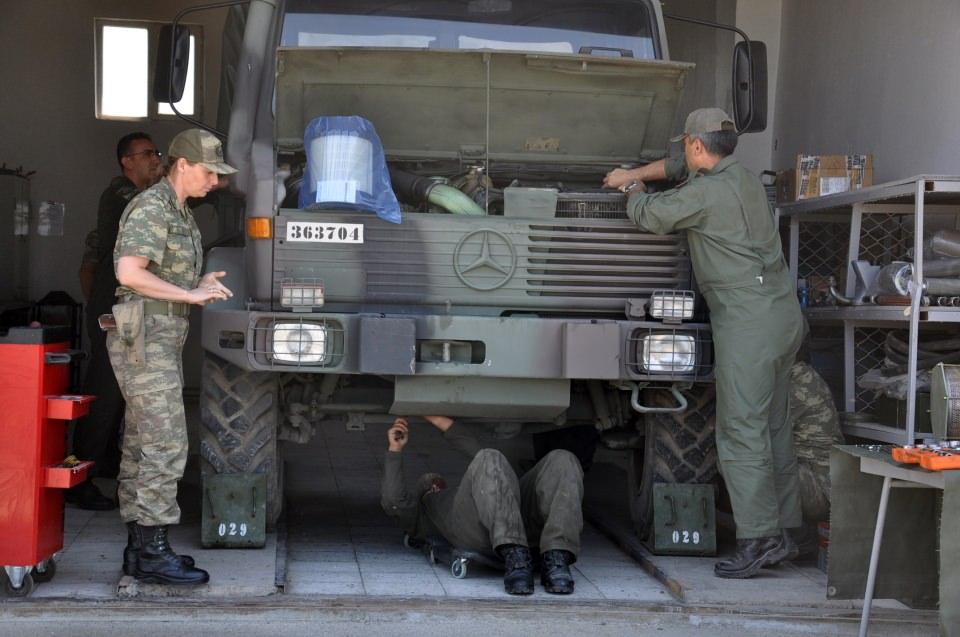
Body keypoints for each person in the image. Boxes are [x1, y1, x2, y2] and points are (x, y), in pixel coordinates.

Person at [604, 107, 806, 579]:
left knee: (740, 431)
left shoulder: (706, 195)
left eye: (686, 146)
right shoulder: (744, 179)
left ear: (697, 145)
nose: (683, 154)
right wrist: (639, 171)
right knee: (774, 428)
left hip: (747, 323)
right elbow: (679, 169)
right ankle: (788, 532)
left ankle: (759, 539)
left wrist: (630, 186)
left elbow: (649, 216)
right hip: (782, 317)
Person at [106, 128, 236, 585]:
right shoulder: (152, 206)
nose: (215, 182)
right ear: (183, 164)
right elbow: (129, 272)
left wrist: (195, 290)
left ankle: (140, 550)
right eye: (209, 171)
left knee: (143, 444)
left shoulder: (179, 211)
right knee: (166, 442)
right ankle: (154, 551)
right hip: (145, 334)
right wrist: (188, 293)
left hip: (158, 334)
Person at [381, 416, 584, 595]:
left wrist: (435, 416)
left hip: (514, 519)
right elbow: (393, 502)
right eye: (429, 486)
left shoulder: (474, 488)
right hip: (475, 532)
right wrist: (395, 450)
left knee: (562, 460)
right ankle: (516, 558)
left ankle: (557, 558)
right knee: (488, 458)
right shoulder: (422, 515)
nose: (434, 481)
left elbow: (476, 450)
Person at [68, 132, 163, 511]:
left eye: (157, 153)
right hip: (112, 310)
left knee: (120, 392)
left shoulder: (140, 196)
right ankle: (78, 477)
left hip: (121, 310)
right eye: (148, 154)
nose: (156, 159)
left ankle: (104, 458)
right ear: (127, 161)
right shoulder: (122, 195)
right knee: (104, 393)